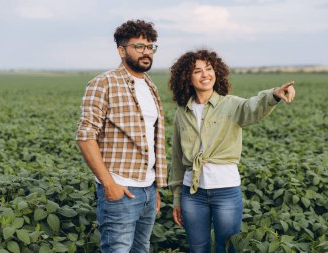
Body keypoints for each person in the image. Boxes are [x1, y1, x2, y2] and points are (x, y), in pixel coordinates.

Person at [168, 49, 295, 253]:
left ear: (216, 72)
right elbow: (176, 158)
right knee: (197, 248)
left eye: (209, 69)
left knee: (227, 248)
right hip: (192, 194)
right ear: (187, 77)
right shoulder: (182, 112)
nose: (205, 75)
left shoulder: (231, 104)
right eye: (197, 71)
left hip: (225, 191)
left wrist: (274, 95)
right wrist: (176, 198)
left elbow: (253, 107)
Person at [76, 19, 167, 253]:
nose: (146, 52)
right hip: (121, 188)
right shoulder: (103, 83)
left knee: (141, 249)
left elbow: (151, 140)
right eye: (139, 46)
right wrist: (109, 184)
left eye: (150, 47)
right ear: (121, 50)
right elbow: (86, 136)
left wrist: (153, 187)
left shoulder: (150, 86)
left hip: (147, 189)